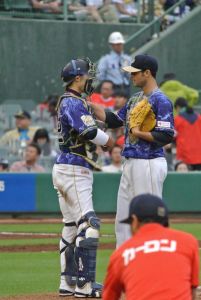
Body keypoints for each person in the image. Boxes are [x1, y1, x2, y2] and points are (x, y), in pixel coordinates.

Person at [90, 54, 174, 246]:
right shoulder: (135, 98)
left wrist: (138, 132)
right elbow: (114, 120)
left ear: (147, 73)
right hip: (131, 162)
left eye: (135, 73)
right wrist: (90, 105)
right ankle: (126, 267)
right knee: (123, 220)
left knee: (149, 217)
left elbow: (166, 136)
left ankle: (153, 266)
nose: (131, 76)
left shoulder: (161, 100)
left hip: (149, 163)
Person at [52, 58, 114, 297]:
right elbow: (88, 131)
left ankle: (67, 283)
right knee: (89, 225)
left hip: (67, 168)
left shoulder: (73, 101)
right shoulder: (72, 101)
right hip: (74, 169)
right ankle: (85, 286)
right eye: (87, 76)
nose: (90, 79)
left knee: (70, 226)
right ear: (78, 78)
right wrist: (108, 141)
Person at [103, 193, 199, 300]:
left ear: (134, 221)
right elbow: (192, 292)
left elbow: (109, 297)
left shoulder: (121, 253)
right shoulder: (189, 242)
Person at [97, 32, 132, 97]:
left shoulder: (127, 59)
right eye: (117, 44)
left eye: (120, 44)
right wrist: (107, 85)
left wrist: (127, 71)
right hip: (113, 89)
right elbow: (100, 75)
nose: (119, 46)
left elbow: (130, 76)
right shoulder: (105, 60)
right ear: (112, 45)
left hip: (126, 87)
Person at [174, 97, 201, 171]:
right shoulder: (199, 117)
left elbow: (172, 137)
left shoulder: (177, 119)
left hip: (184, 157)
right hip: (199, 156)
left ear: (178, 107)